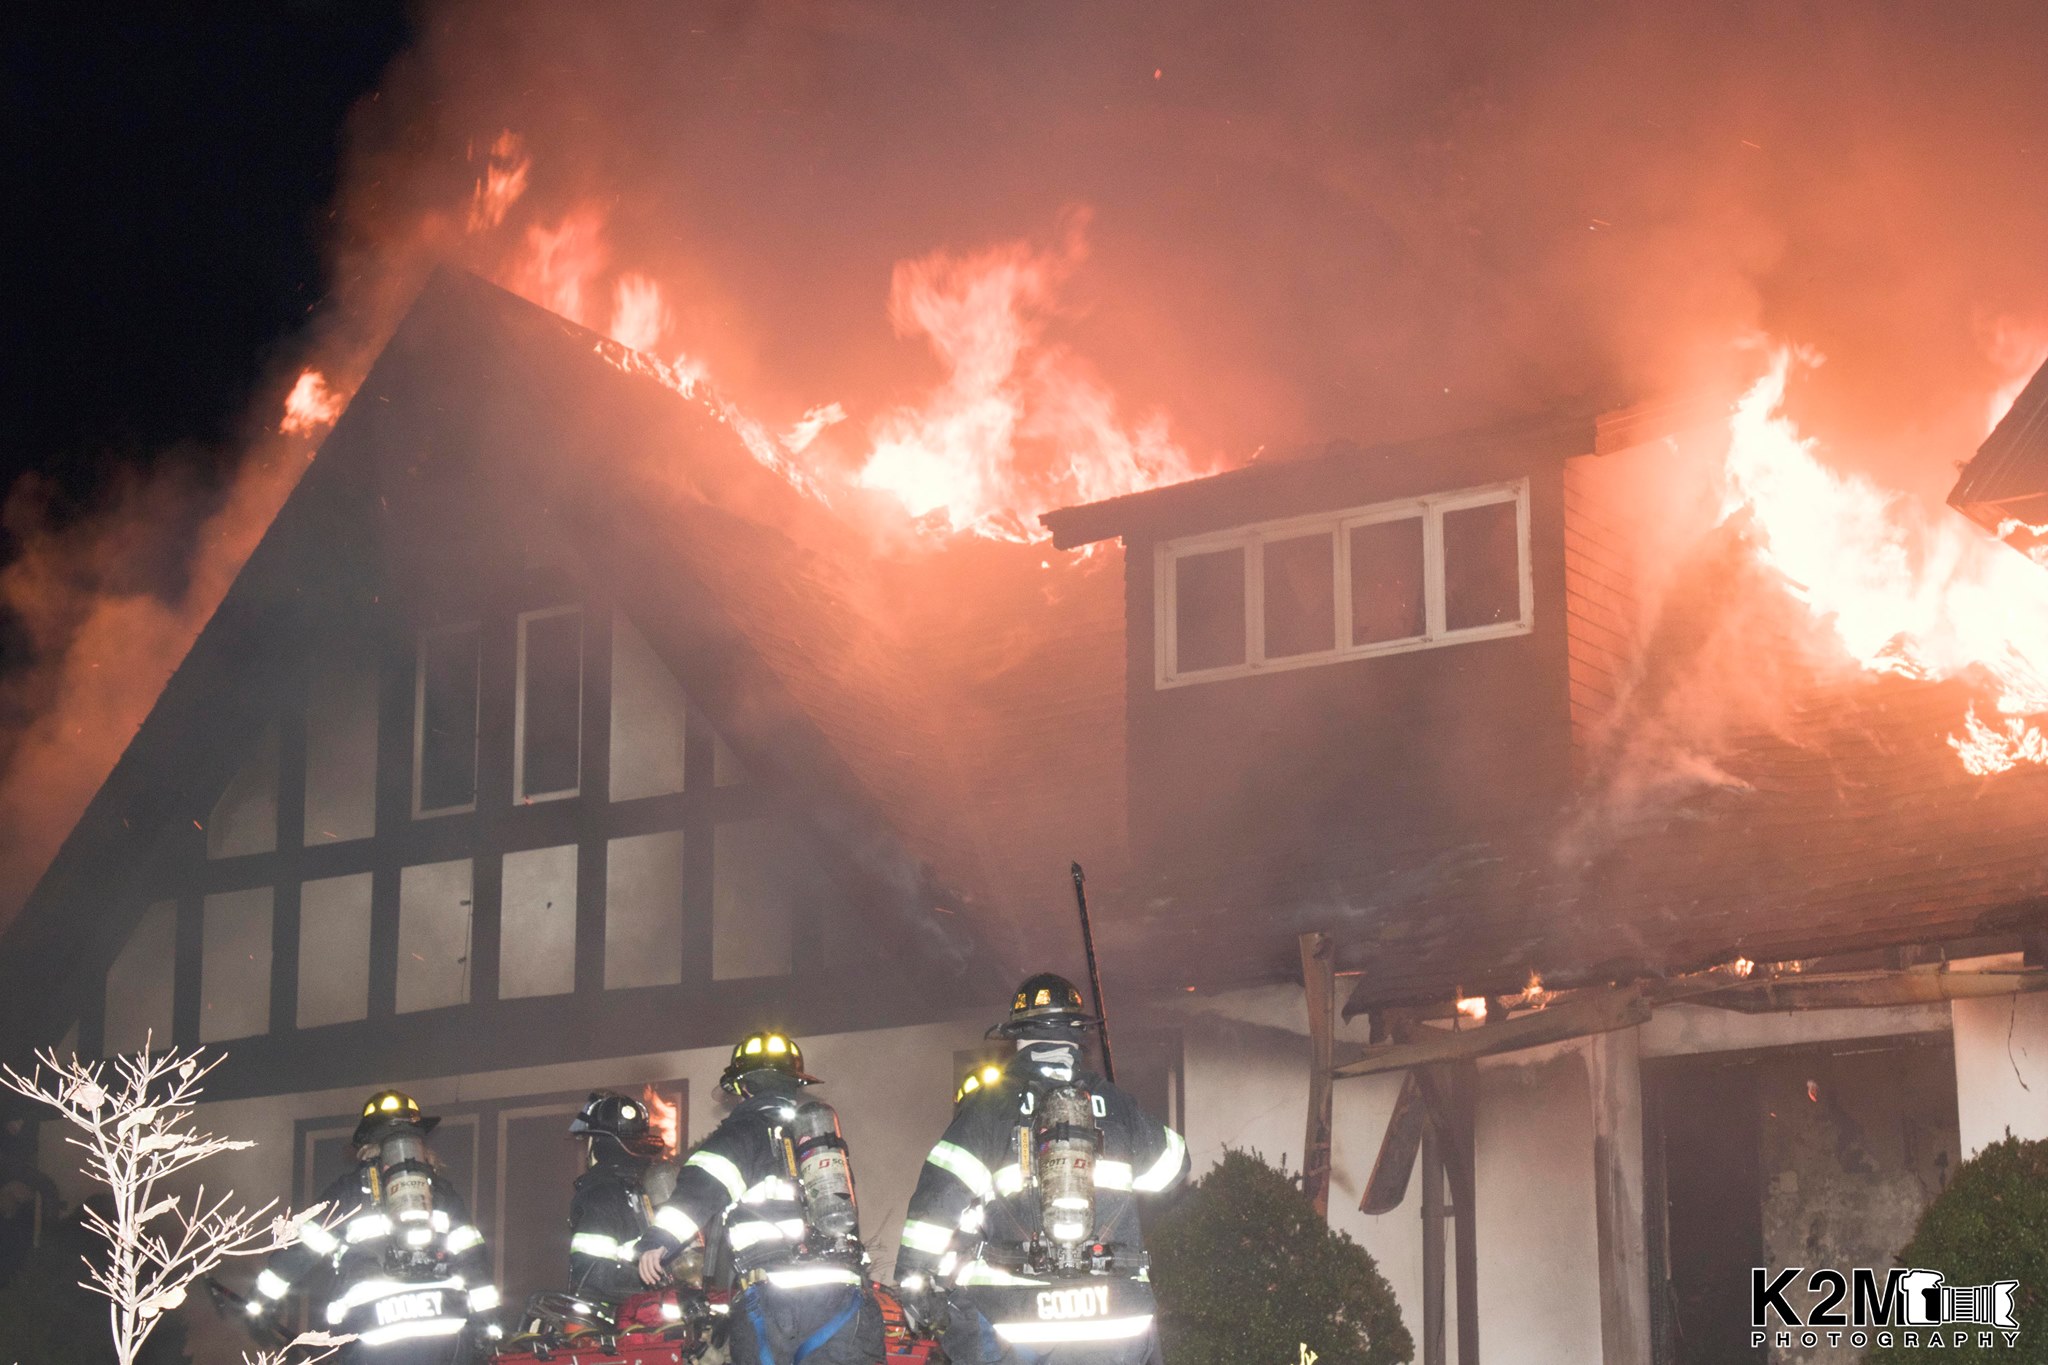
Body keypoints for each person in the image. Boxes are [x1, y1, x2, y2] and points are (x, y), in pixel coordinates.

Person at [894, 973, 1189, 1365]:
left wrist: (914, 1278)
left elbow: (939, 1197)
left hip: (1017, 1324)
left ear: (1018, 1038)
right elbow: (1173, 1168)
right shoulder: (1116, 1102)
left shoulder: (990, 1106)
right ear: (1077, 1035)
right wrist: (1119, 1114)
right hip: (1117, 1322)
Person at [636, 1032, 884, 1365]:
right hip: (846, 1300)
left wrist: (659, 1241)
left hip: (777, 1303)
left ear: (744, 1088)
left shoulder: (741, 1133)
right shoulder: (819, 1141)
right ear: (793, 1085)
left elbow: (701, 1186)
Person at [249, 1090, 498, 1363]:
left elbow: (303, 1249)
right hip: (448, 1335)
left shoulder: (348, 1192)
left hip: (375, 1337)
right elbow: (474, 1262)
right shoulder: (441, 1194)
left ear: (367, 1143)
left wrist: (261, 1300)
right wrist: (489, 1325)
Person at [567, 1091, 679, 1301]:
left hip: (623, 1316)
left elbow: (592, 1278)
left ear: (596, 1142)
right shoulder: (661, 1181)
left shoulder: (597, 1194)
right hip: (673, 1309)